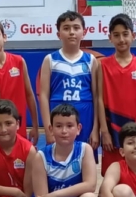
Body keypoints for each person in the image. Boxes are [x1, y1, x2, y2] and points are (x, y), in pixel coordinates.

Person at [95, 13, 136, 174]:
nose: (121, 39)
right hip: (112, 128)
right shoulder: (102, 65)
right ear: (110, 38)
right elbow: (99, 98)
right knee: (112, 174)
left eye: (125, 34)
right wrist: (104, 131)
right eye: (116, 35)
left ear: (133, 36)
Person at [38, 11, 96, 148]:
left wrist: (95, 129)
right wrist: (48, 128)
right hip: (58, 113)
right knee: (58, 157)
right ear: (58, 34)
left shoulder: (91, 60)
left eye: (76, 28)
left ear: (84, 32)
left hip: (85, 115)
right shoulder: (50, 60)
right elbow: (44, 96)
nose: (71, 32)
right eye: (66, 28)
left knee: (84, 155)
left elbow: (96, 97)